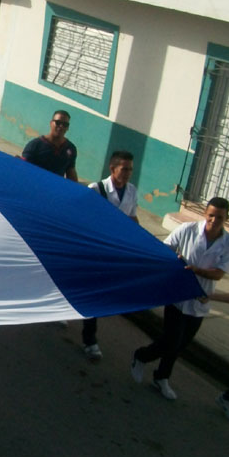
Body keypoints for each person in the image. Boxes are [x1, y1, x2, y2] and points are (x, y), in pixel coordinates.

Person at [132, 197, 229, 400]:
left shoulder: (228, 243)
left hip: (200, 301)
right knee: (172, 341)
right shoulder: (188, 229)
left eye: (219, 217)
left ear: (226, 218)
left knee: (181, 345)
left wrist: (195, 270)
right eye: (211, 215)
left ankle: (159, 375)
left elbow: (218, 274)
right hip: (177, 296)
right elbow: (165, 251)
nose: (214, 220)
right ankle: (145, 359)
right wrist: (173, 262)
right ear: (205, 213)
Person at [80, 151, 139, 359]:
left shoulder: (131, 191)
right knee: (91, 291)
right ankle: (90, 340)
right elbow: (84, 219)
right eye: (124, 169)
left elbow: (132, 218)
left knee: (96, 292)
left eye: (130, 169)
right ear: (112, 169)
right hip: (93, 251)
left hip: (113, 252)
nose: (128, 173)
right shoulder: (96, 189)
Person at [21, 110, 78, 181]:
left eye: (65, 124)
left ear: (68, 127)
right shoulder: (35, 145)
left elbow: (71, 173)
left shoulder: (71, 148)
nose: (61, 126)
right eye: (58, 123)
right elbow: (23, 169)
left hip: (55, 189)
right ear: (51, 123)